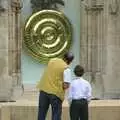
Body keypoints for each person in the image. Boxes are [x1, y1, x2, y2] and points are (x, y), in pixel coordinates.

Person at [36, 52, 74, 120]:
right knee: (56, 115)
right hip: (55, 94)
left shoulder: (52, 60)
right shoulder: (66, 69)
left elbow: (50, 73)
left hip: (44, 90)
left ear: (63, 57)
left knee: (41, 113)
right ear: (70, 61)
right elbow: (66, 86)